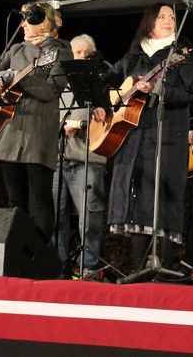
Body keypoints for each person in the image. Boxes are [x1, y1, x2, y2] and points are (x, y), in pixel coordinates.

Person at [104, 2, 193, 272]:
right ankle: (138, 267)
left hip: (167, 135)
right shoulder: (133, 56)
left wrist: (156, 89)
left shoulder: (182, 55)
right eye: (161, 16)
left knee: (163, 198)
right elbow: (107, 81)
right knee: (136, 198)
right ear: (149, 23)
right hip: (132, 137)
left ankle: (165, 266)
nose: (168, 20)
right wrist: (104, 103)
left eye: (172, 16)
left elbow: (191, 92)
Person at [0, 1, 71, 242]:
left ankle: (39, 253)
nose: (22, 24)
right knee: (15, 201)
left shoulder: (60, 51)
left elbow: (50, 90)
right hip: (10, 132)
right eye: (22, 19)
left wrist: (19, 78)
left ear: (43, 23)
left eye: (28, 19)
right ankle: (17, 253)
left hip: (38, 133)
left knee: (39, 200)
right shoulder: (15, 50)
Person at [54, 33, 111, 279]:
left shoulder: (102, 78)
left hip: (88, 157)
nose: (81, 58)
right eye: (77, 53)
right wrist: (62, 124)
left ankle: (90, 267)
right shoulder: (60, 80)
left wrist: (78, 123)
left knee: (90, 217)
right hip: (58, 158)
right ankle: (58, 265)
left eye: (86, 54)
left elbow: (106, 112)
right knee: (55, 216)